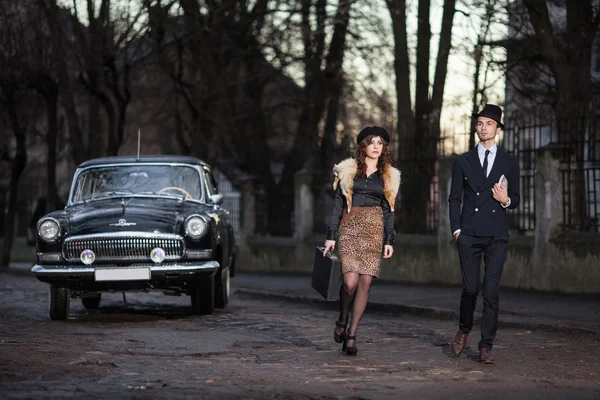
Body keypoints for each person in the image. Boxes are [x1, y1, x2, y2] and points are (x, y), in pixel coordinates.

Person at [448, 104, 521, 364]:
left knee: (491, 291)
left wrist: (505, 200)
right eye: (480, 123)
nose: (483, 127)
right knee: (470, 289)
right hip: (469, 234)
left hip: (497, 235)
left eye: (489, 123)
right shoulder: (463, 160)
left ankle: (486, 345)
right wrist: (457, 230)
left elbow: (517, 199)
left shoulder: (509, 161)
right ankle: (464, 329)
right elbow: (454, 198)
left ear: (498, 129)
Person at [323, 126, 401, 356]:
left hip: (374, 229)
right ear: (363, 146)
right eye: (372, 142)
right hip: (349, 227)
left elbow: (389, 210)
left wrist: (389, 239)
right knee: (349, 284)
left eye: (380, 143)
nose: (376, 146)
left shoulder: (389, 175)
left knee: (365, 283)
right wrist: (331, 236)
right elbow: (338, 204)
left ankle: (352, 334)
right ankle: (342, 317)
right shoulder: (347, 171)